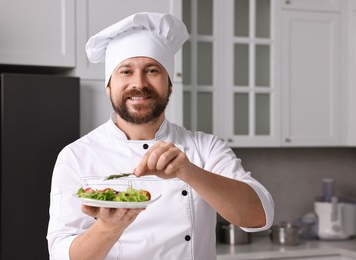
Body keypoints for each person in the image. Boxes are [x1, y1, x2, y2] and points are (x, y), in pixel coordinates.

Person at [47, 12, 274, 260]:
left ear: (170, 85)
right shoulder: (76, 156)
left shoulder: (204, 147)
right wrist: (108, 228)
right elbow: (61, 255)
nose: (139, 83)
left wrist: (188, 172)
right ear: (109, 86)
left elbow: (260, 217)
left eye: (152, 70)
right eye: (125, 71)